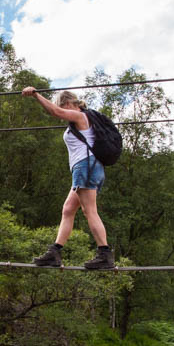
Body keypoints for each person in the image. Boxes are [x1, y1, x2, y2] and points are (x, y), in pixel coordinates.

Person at [21, 86, 115, 269]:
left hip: (85, 167)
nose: (63, 111)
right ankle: (55, 252)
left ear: (69, 103)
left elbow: (55, 112)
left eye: (63, 106)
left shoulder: (81, 116)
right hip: (88, 167)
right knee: (68, 209)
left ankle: (105, 254)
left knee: (90, 211)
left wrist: (35, 95)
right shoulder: (84, 120)